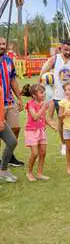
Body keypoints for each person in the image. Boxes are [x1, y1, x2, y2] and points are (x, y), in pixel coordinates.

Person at [40, 39, 70, 155]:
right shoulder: (55, 59)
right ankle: (64, 144)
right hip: (59, 95)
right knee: (61, 121)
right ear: (61, 48)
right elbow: (43, 72)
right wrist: (44, 81)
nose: (68, 52)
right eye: (66, 49)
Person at [22, 84, 56, 181]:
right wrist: (44, 107)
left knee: (43, 152)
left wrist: (51, 125)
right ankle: (29, 173)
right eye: (41, 92)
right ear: (34, 95)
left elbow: (43, 117)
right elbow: (35, 117)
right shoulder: (30, 104)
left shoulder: (42, 103)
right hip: (31, 131)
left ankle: (39, 173)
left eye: (43, 91)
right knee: (35, 153)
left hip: (41, 130)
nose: (44, 94)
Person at [0, 37, 24, 167]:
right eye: (0, 44)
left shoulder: (9, 61)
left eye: (4, 44)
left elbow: (13, 80)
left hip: (9, 101)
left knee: (15, 128)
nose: (2, 46)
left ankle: (10, 156)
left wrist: (19, 97)